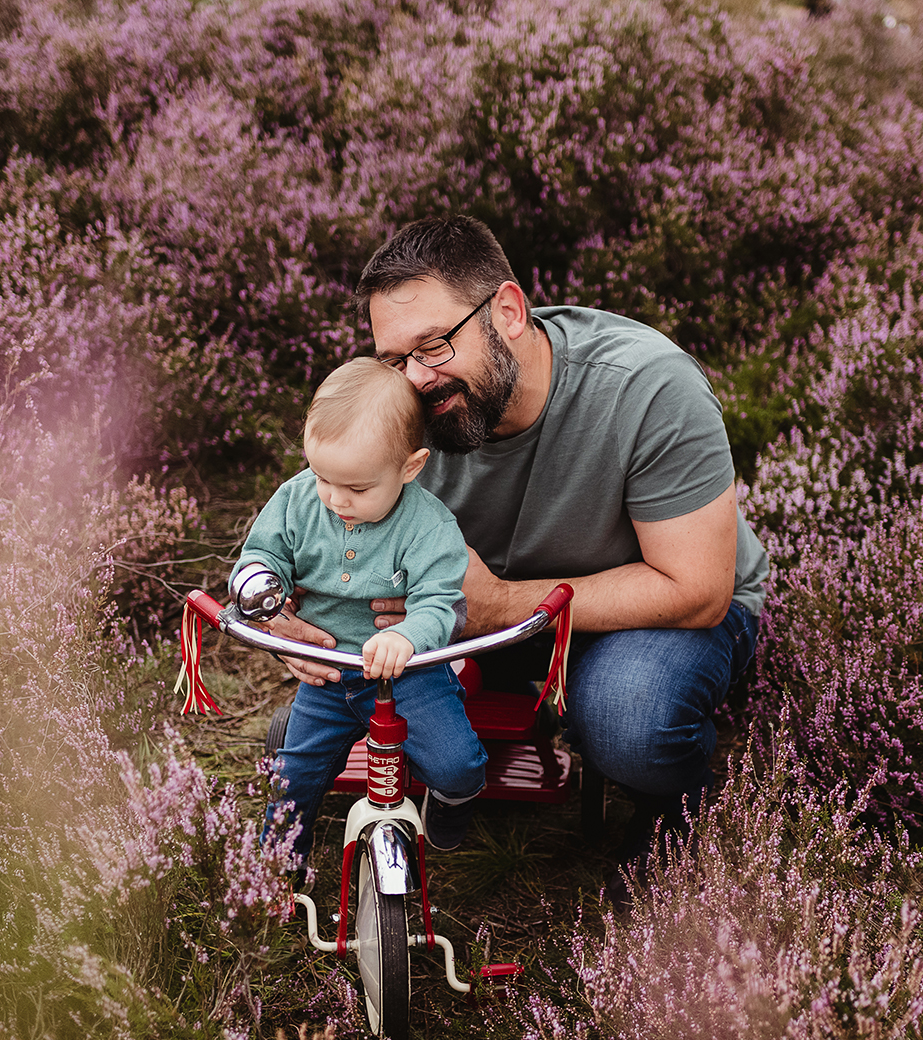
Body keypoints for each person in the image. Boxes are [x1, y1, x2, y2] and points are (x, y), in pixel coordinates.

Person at [269, 215, 770, 893]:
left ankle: (677, 799)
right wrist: (279, 606)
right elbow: (311, 513)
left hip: (648, 610)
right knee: (310, 727)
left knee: (629, 720)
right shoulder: (408, 408)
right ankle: (523, 710)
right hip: (475, 613)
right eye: (393, 359)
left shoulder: (648, 386)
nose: (415, 378)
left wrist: (499, 607)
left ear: (506, 311)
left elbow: (699, 587)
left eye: (435, 345)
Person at [237, 357, 488, 870]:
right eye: (323, 477)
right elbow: (262, 553)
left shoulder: (429, 527)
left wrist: (410, 637)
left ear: (410, 466)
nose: (335, 499)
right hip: (330, 673)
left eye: (357, 489)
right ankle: (278, 870)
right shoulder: (299, 499)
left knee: (458, 765)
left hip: (410, 675)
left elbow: (440, 602)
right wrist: (260, 586)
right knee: (292, 776)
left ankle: (451, 802)